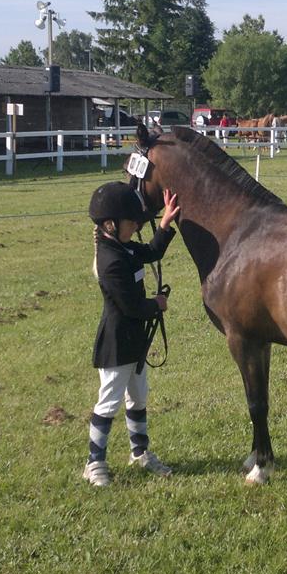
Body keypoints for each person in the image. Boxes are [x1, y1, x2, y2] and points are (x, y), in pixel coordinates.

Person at [83, 181, 181, 487]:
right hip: (117, 344)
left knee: (138, 398)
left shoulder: (123, 247)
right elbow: (131, 306)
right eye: (131, 222)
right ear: (110, 225)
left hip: (135, 342)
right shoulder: (110, 260)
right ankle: (94, 463)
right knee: (108, 404)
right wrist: (156, 304)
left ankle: (140, 453)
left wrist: (164, 224)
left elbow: (151, 252)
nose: (136, 226)